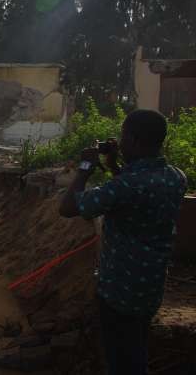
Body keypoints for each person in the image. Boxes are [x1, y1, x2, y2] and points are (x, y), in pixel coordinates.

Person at [59, 109, 187, 375]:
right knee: (135, 346)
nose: (121, 141)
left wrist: (85, 168)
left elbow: (69, 208)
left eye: (124, 137)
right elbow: (132, 191)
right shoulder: (176, 177)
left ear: (136, 141)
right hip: (150, 285)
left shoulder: (125, 187)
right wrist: (116, 164)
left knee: (122, 359)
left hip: (119, 290)